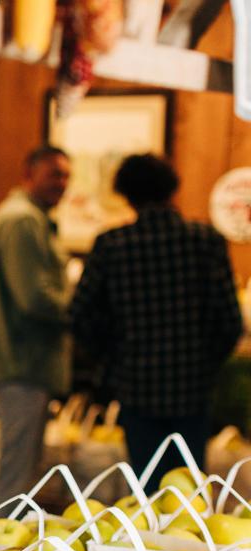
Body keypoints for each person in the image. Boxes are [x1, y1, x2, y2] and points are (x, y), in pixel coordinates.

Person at [71, 154, 243, 487]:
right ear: (171, 189)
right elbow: (229, 320)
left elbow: (80, 316)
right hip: (192, 383)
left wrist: (111, 358)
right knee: (190, 490)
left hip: (136, 383)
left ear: (126, 194)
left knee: (147, 488)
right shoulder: (204, 241)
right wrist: (207, 363)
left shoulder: (112, 245)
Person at [0, 145, 73, 513]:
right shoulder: (23, 220)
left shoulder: (28, 217)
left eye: (66, 175)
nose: (62, 182)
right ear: (29, 174)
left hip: (23, 359)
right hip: (22, 359)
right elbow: (34, 297)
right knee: (16, 475)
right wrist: (82, 310)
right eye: (54, 173)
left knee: (20, 470)